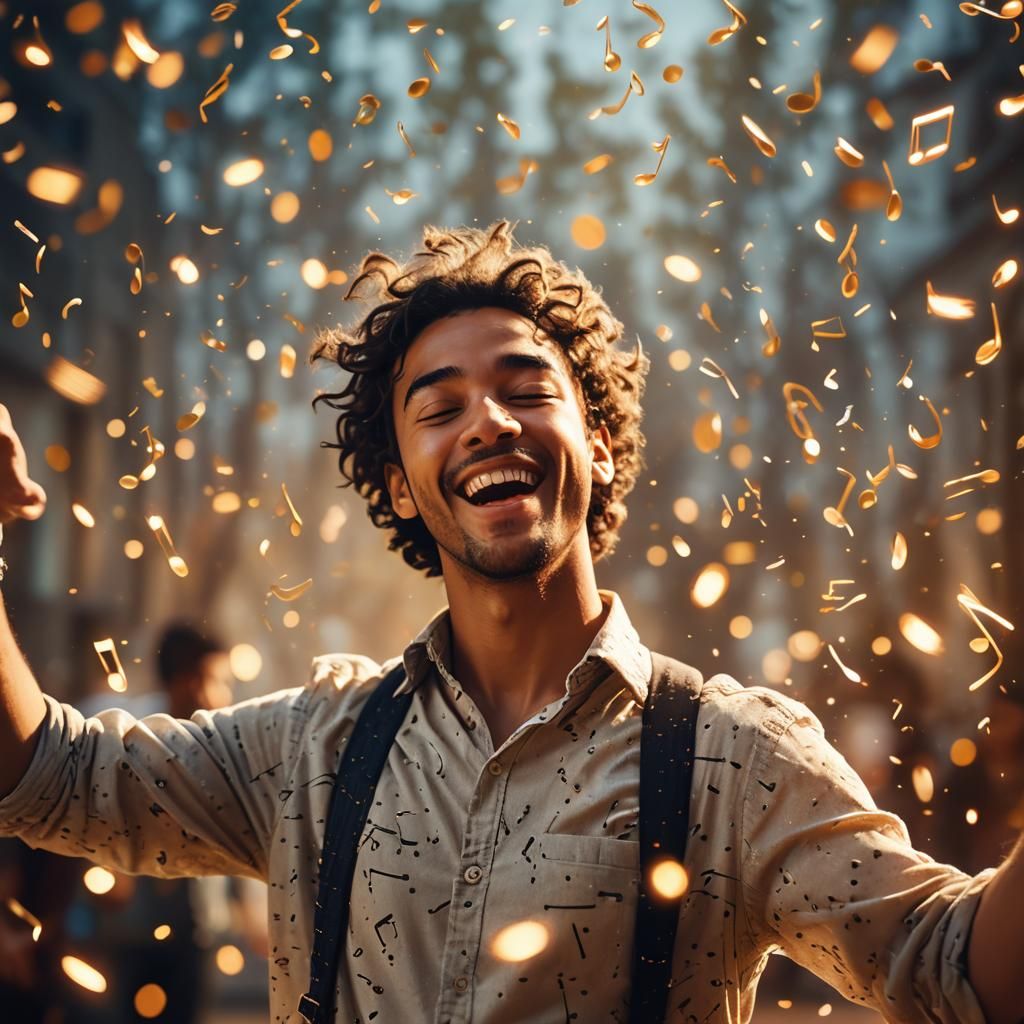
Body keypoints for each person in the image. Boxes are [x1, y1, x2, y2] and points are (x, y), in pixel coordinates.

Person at [0, 222, 1019, 1024]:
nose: (489, 422)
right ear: (399, 487)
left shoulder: (733, 760)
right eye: (440, 408)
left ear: (600, 444)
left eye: (526, 389)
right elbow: (51, 776)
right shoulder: (315, 746)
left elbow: (954, 967)